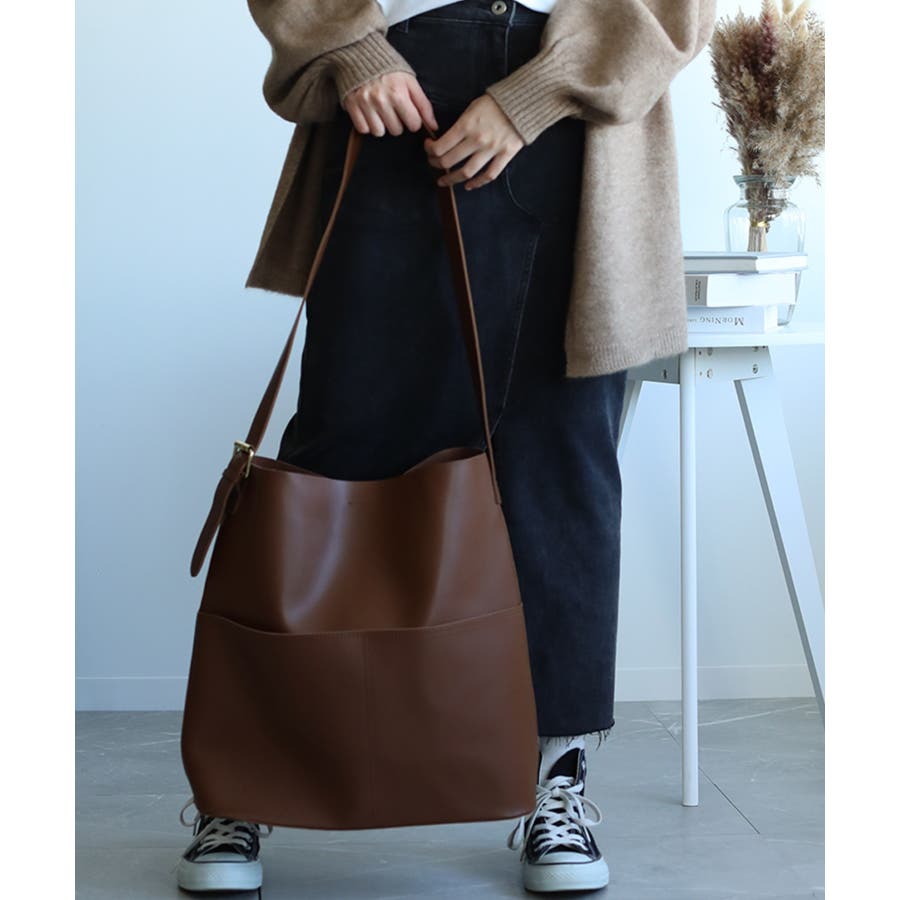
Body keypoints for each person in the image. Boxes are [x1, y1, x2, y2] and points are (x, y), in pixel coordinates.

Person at [176, 0, 716, 894]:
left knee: (560, 457)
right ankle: (247, 778)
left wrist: (539, 93)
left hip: (577, 111)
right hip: (389, 89)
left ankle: (558, 780)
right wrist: (349, 47)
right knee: (335, 453)